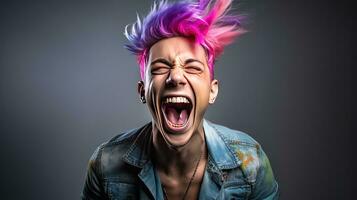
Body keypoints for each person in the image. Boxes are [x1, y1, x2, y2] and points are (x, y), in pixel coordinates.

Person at [81, 0, 279, 199]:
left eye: (192, 67)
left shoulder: (251, 163)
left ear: (212, 91)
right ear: (142, 91)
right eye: (159, 68)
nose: (175, 77)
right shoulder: (105, 166)